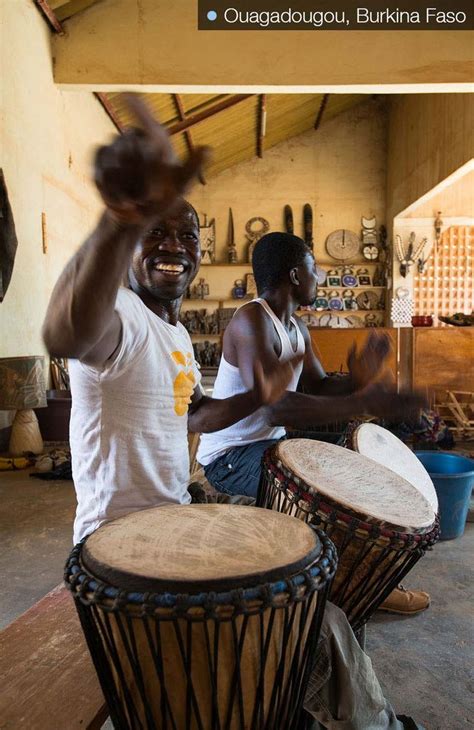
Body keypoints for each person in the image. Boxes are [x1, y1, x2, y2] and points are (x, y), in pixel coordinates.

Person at [42, 98, 424, 730]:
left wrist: (258, 395)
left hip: (175, 515)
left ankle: (304, 702)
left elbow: (195, 419)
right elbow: (66, 332)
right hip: (119, 544)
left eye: (186, 235)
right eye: (154, 231)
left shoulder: (174, 335)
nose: (173, 246)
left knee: (308, 581)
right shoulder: (120, 319)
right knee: (309, 610)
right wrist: (115, 221)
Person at [197, 232, 430, 617]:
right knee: (330, 499)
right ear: (294, 274)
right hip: (230, 457)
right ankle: (354, 587)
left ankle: (364, 582)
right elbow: (278, 408)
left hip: (268, 446)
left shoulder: (296, 329)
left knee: (350, 472)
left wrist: (359, 379)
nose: (319, 277)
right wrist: (365, 400)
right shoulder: (251, 321)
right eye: (314, 269)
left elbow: (320, 385)